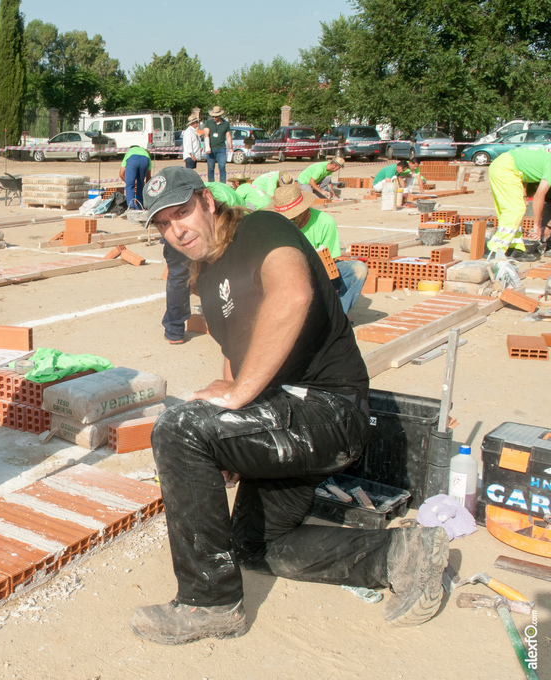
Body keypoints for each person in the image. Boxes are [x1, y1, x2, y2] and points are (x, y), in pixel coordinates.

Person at [129, 165, 449, 645]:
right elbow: (235, 354)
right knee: (254, 545)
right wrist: (227, 438)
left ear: (207, 202)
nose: (177, 229)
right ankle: (399, 555)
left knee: (177, 429)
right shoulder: (208, 272)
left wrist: (236, 401)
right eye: (164, 223)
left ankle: (208, 603)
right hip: (285, 417)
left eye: (182, 213)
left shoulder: (261, 228)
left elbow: (293, 293)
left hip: (328, 410)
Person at [161, 181, 244, 345]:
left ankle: (174, 330)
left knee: (178, 278)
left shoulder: (192, 192)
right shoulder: (236, 198)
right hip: (216, 233)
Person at [272, 183, 368, 314]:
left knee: (358, 269)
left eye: (293, 218)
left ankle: (338, 316)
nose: (290, 221)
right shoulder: (277, 225)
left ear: (304, 209)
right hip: (286, 275)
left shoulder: (325, 222)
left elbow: (329, 266)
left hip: (318, 272)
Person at [486, 146, 551, 260]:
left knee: (516, 210)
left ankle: (515, 248)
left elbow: (525, 172)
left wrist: (524, 196)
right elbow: (539, 195)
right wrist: (537, 226)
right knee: (515, 209)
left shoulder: (545, 156)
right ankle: (494, 249)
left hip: (508, 167)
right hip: (505, 168)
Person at [202, 106, 232, 184]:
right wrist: (207, 147)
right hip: (211, 149)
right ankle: (211, 184)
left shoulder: (226, 123)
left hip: (221, 149)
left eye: (215, 116)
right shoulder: (209, 122)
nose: (214, 118)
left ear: (220, 116)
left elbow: (228, 136)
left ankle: (222, 184)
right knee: (211, 168)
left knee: (222, 167)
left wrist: (230, 147)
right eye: (213, 116)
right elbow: (206, 134)